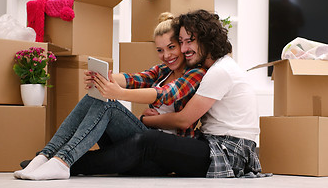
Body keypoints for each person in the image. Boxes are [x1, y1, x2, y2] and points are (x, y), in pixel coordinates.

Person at [67, 9, 265, 178]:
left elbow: (183, 120)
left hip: (228, 152)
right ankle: (61, 158)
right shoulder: (211, 68)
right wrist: (108, 79)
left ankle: (71, 164)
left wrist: (145, 120)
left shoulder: (220, 71)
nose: (185, 49)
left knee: (149, 142)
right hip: (210, 142)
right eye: (182, 42)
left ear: (207, 40)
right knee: (135, 143)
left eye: (190, 42)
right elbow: (139, 78)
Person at [14, 12, 206, 180]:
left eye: (171, 47)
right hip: (142, 142)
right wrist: (104, 78)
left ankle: (63, 161)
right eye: (160, 50)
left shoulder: (195, 73)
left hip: (162, 155)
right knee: (95, 96)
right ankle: (47, 156)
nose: (166, 55)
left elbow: (167, 93)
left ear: (181, 45)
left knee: (109, 105)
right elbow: (134, 79)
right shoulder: (163, 71)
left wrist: (120, 94)